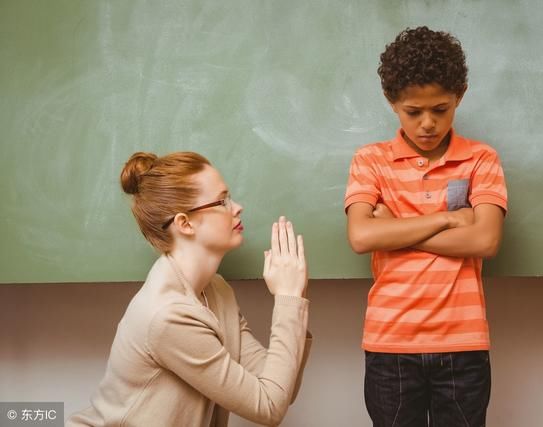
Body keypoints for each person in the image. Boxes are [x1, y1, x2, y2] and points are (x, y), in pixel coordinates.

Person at [67, 152, 311, 427]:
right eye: (223, 201)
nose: (237, 207)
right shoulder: (170, 315)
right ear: (185, 223)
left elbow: (279, 388)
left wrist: (294, 298)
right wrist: (287, 299)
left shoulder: (215, 290)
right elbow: (269, 407)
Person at [344, 26, 508, 427]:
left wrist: (397, 227)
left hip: (463, 344)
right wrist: (449, 219)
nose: (428, 124)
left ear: (460, 97)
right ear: (391, 102)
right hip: (391, 343)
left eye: (441, 108)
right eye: (413, 112)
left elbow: (485, 239)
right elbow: (362, 236)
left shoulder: (480, 160)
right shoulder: (370, 161)